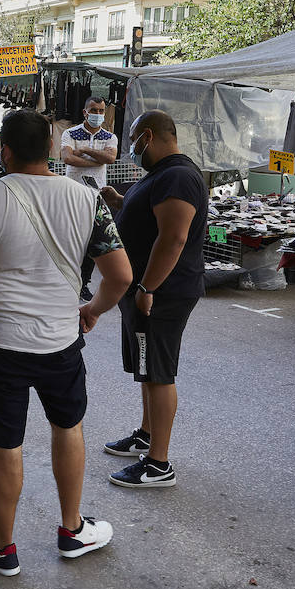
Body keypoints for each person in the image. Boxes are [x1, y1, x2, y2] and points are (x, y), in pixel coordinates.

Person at [0, 109, 132, 576]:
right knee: (67, 427)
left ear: (4, 150)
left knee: (6, 442)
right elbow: (121, 276)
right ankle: (72, 531)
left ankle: (2, 548)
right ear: (51, 150)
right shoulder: (88, 200)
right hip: (60, 341)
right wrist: (93, 311)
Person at [97, 110, 206, 489]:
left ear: (149, 136)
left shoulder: (178, 175)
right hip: (146, 289)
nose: (131, 147)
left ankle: (159, 463)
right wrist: (119, 201)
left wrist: (147, 288)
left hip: (162, 293)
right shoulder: (163, 175)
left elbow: (173, 238)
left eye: (133, 139)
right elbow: (149, 219)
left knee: (158, 373)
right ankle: (146, 435)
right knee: (146, 367)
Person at [61, 97, 120, 303]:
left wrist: (85, 151)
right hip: (72, 195)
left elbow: (110, 159)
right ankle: (68, 283)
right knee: (71, 242)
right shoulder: (70, 133)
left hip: (97, 196)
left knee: (92, 242)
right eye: (93, 110)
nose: (98, 114)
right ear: (85, 112)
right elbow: (67, 158)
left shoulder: (110, 136)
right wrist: (97, 161)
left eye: (101, 111)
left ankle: (83, 283)